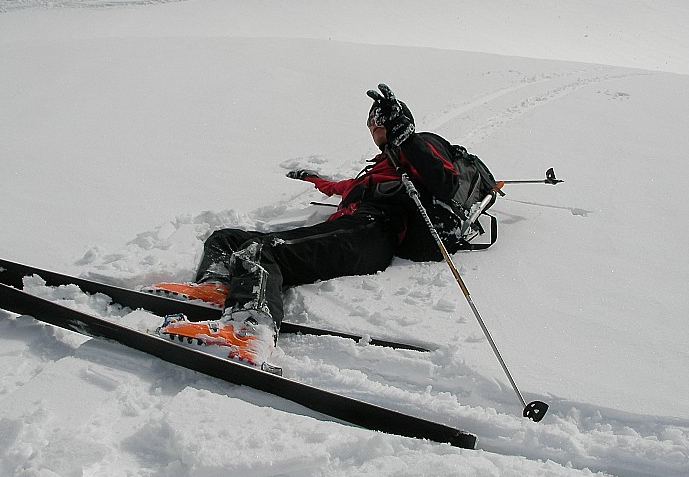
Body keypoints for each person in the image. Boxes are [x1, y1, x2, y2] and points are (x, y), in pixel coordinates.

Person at [146, 84, 460, 368]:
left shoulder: (420, 146)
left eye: (378, 123)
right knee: (225, 238)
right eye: (371, 125)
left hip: (373, 232)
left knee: (259, 251)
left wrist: (408, 139)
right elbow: (339, 187)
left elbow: (446, 183)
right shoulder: (377, 167)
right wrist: (311, 178)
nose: (374, 129)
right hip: (354, 227)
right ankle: (215, 288)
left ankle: (248, 332)